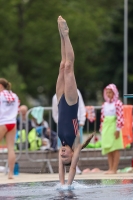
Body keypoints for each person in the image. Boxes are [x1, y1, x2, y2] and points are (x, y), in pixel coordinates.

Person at [56, 16, 94, 185]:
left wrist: (61, 184)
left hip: (59, 102)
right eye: (66, 157)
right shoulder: (76, 144)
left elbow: (61, 170)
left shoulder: (62, 145)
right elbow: (70, 169)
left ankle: (61, 36)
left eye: (61, 156)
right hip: (71, 103)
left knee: (62, 66)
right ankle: (66, 34)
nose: (62, 154)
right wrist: (67, 187)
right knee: (69, 67)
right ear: (72, 155)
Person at [52, 90, 86, 173]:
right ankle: (62, 167)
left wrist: (82, 120)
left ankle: (75, 166)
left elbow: (81, 106)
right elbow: (55, 112)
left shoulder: (76, 92)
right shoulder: (55, 97)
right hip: (63, 124)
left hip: (73, 122)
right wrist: (59, 122)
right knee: (64, 148)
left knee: (74, 147)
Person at [100, 83, 124, 174]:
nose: (108, 94)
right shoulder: (104, 104)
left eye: (110, 92)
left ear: (114, 93)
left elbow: (120, 117)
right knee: (108, 149)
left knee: (115, 148)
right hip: (106, 128)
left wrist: (118, 129)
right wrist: (102, 128)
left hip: (114, 127)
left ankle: (114, 169)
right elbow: (102, 117)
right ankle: (110, 168)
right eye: (107, 93)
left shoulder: (118, 103)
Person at [0, 78, 19, 179]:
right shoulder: (14, 96)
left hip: (2, 122)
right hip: (12, 122)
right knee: (11, 149)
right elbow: (18, 108)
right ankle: (10, 174)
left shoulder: (1, 95)